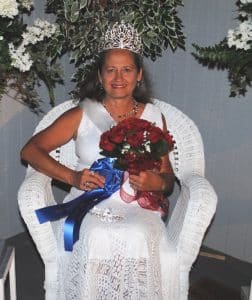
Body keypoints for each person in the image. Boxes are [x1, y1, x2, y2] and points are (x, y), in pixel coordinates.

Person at [21, 21, 176, 299]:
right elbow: (30, 151)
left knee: (141, 234)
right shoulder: (82, 113)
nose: (119, 77)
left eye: (127, 69)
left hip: (139, 204)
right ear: (100, 75)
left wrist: (155, 181)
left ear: (139, 74)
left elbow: (166, 179)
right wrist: (71, 177)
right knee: (96, 237)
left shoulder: (154, 116)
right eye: (111, 70)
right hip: (90, 200)